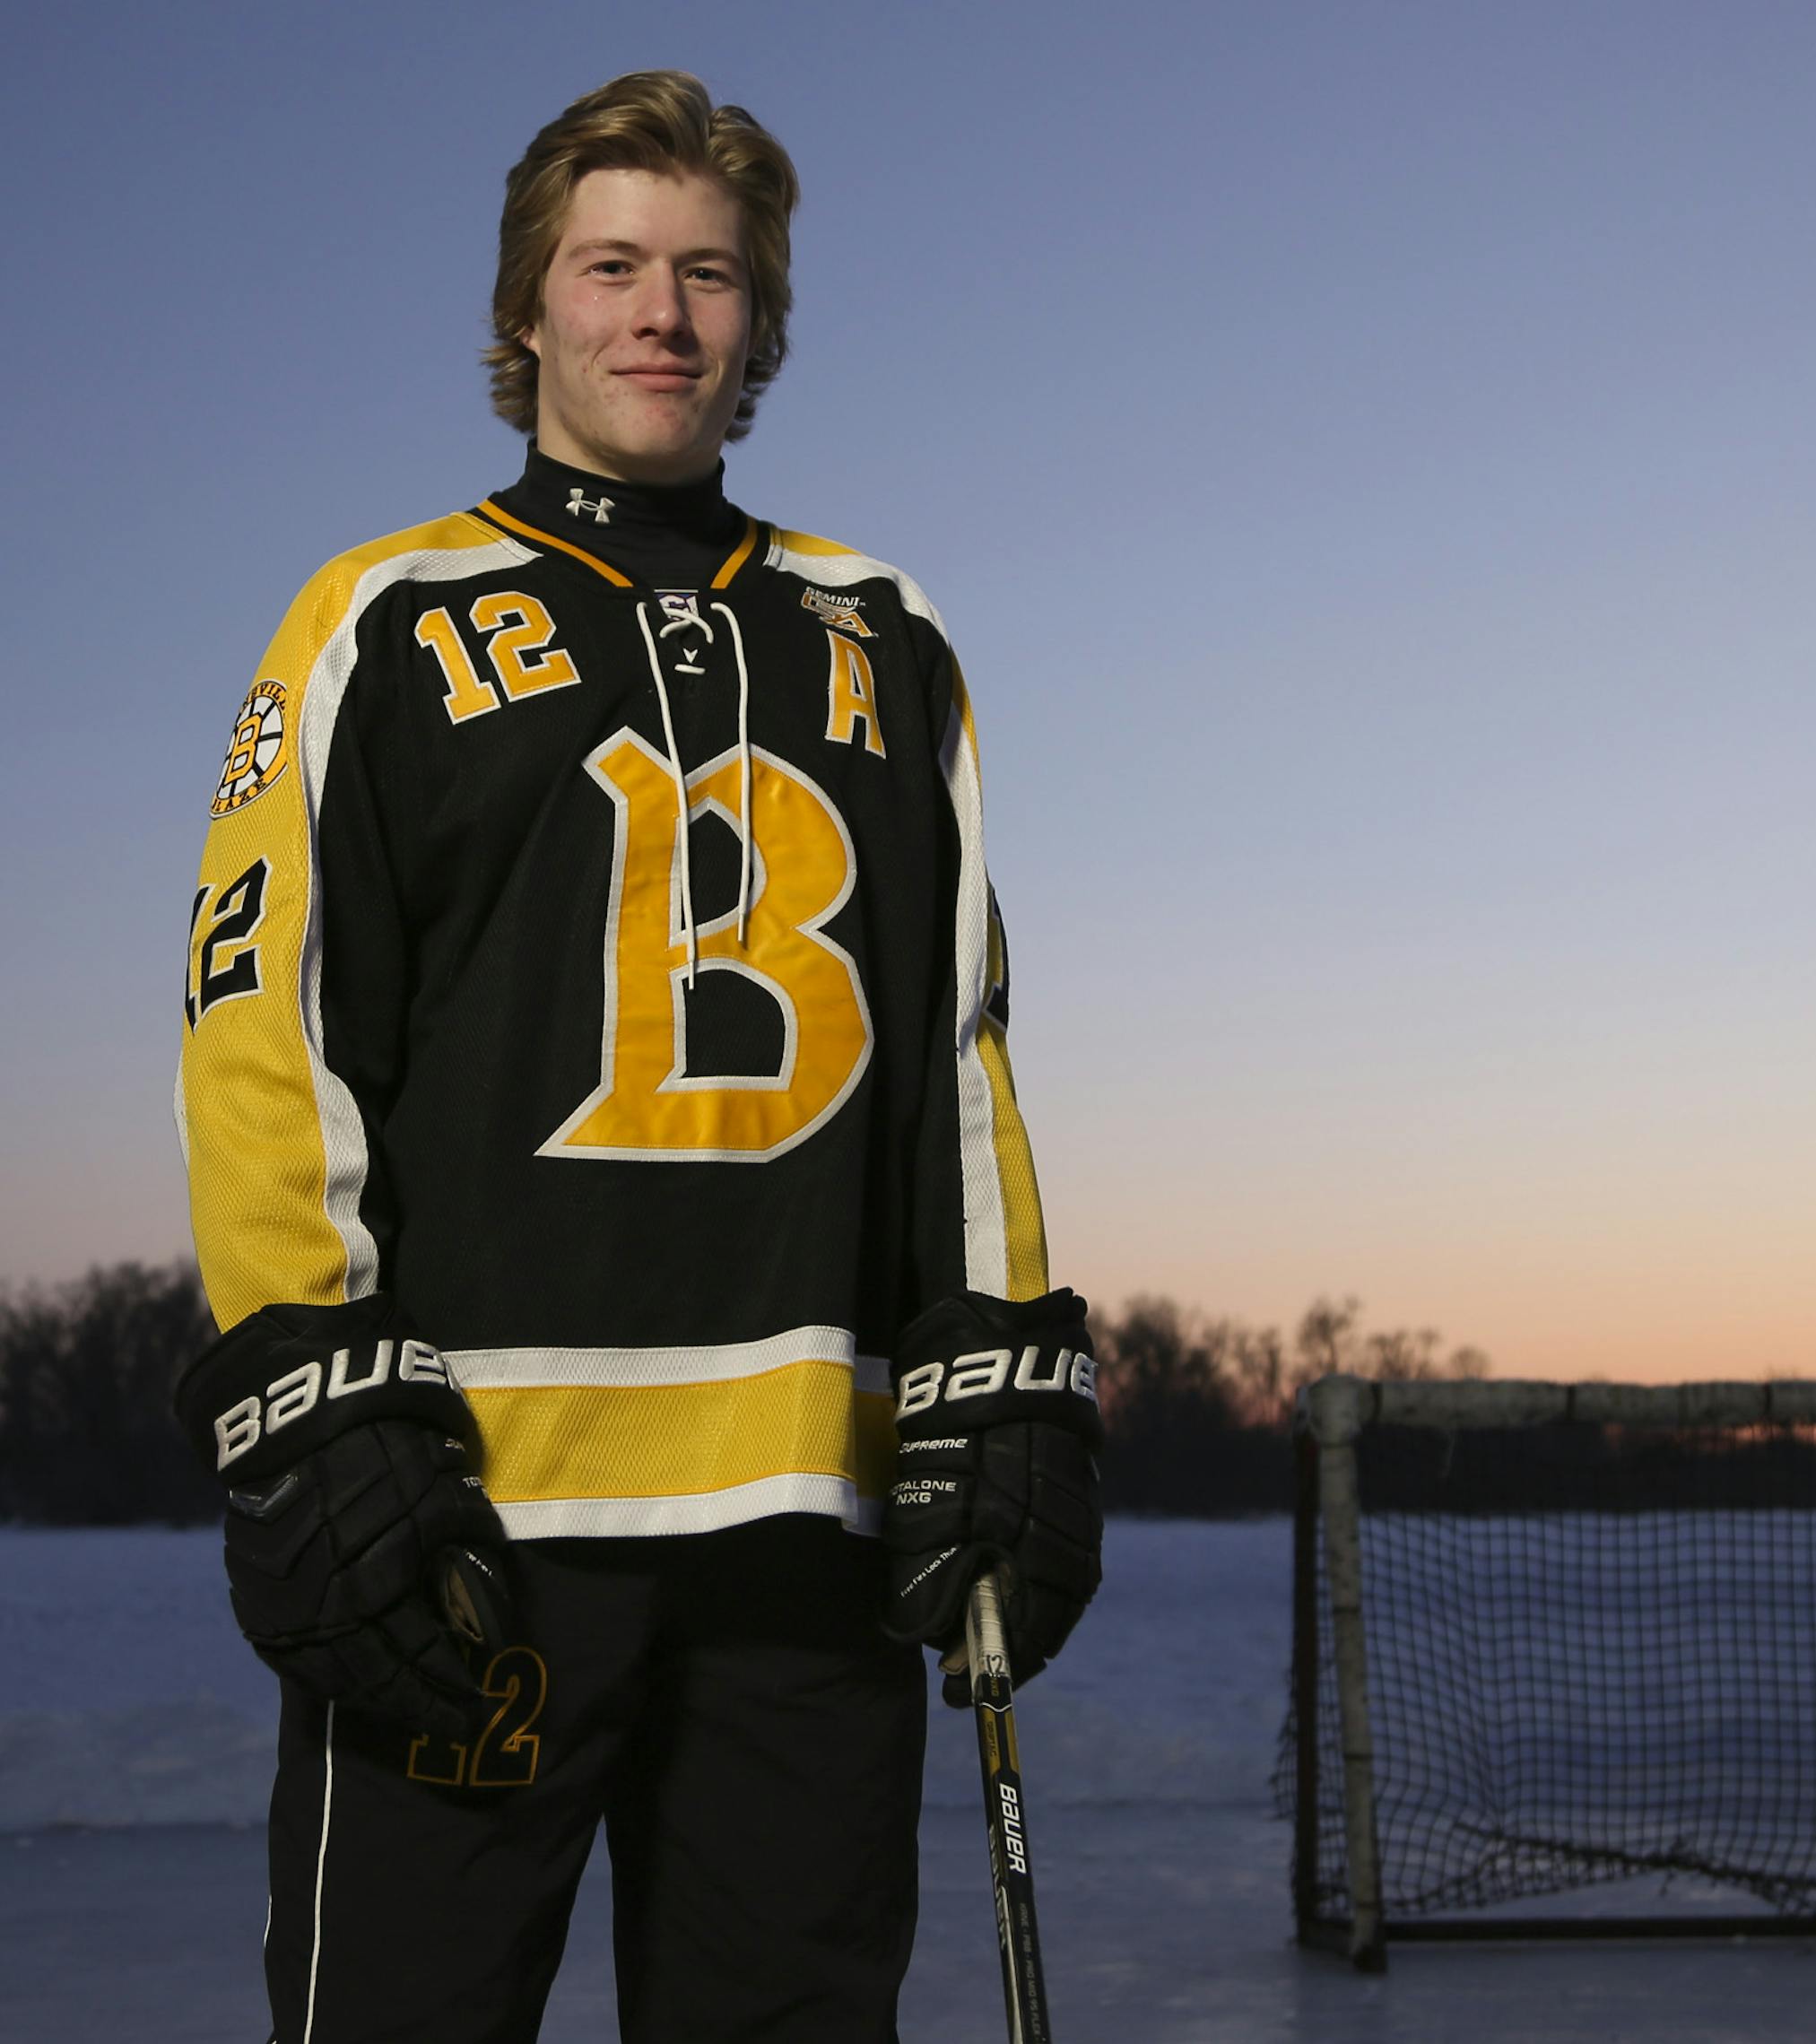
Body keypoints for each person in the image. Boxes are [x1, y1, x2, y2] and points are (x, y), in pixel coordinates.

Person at [172, 68, 1103, 2044]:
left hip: (802, 1540)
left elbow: (961, 1046)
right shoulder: (382, 619)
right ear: (529, 311)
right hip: (466, 1536)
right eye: (611, 267)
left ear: (759, 320)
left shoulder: (887, 631)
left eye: (710, 273)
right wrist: (310, 1405)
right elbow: (266, 1025)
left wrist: (1001, 1349)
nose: (659, 312)